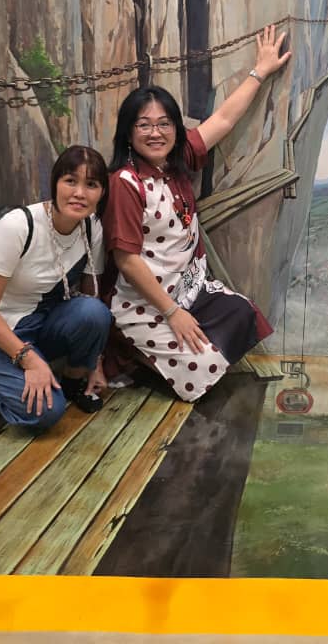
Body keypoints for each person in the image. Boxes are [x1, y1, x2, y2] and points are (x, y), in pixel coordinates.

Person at [103, 24, 291, 402]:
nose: (155, 133)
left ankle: (174, 344)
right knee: (202, 366)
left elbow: (222, 121)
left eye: (164, 124)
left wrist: (260, 70)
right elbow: (126, 260)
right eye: (144, 125)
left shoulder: (176, 160)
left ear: (175, 128)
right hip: (145, 303)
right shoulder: (125, 182)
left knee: (242, 313)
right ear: (128, 134)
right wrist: (172, 312)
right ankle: (129, 354)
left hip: (189, 288)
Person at [0, 145, 112, 430]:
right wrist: (30, 361)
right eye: (70, 181)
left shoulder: (91, 227)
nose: (80, 193)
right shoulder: (18, 226)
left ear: (102, 192)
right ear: (54, 183)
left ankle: (73, 382)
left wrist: (95, 363)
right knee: (46, 412)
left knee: (95, 312)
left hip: (41, 319)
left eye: (91, 184)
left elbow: (91, 296)